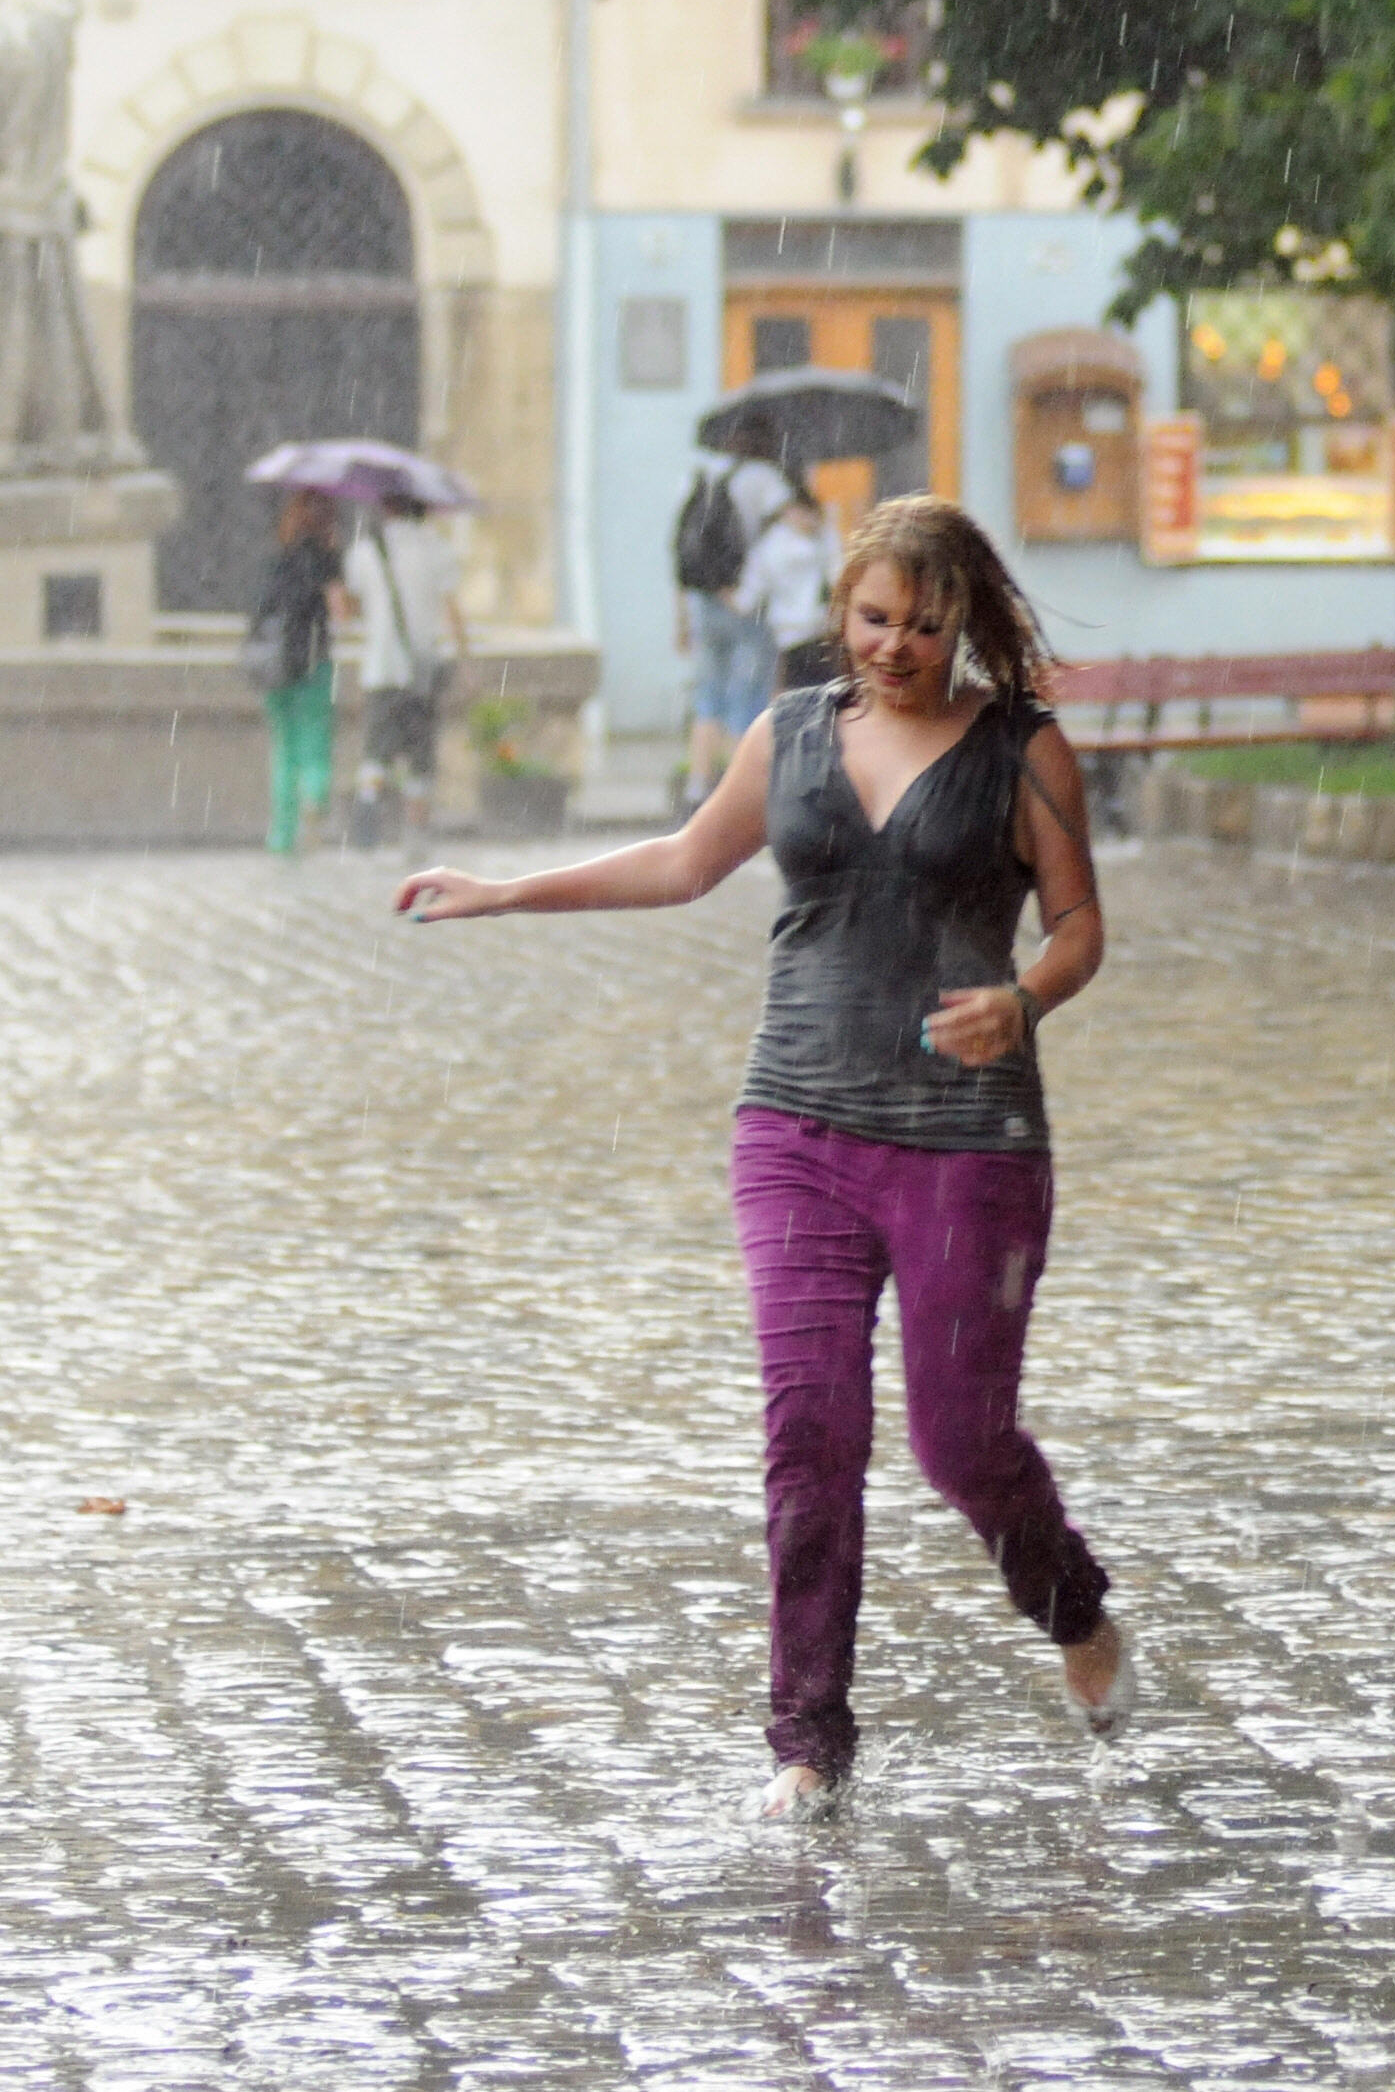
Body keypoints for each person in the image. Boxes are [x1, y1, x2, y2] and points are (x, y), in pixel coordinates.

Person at [394, 495, 1129, 1820]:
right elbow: (682, 862)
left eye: (922, 621)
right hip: (794, 1126)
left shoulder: (1024, 754)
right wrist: (507, 890)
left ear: (963, 621)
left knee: (961, 1444)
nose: (895, 644)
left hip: (968, 1142)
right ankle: (808, 1741)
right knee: (808, 1433)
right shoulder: (786, 734)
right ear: (838, 609)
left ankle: (1071, 1602)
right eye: (873, 617)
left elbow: (1077, 929)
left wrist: (1023, 998)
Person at [679, 411, 796, 812]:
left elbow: (681, 548)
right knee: (748, 698)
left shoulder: (702, 475)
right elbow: (791, 531)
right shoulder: (766, 479)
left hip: (704, 599)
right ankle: (739, 793)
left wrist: (680, 614)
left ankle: (697, 785)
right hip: (746, 599)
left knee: (708, 696)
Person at [338, 488, 465, 854]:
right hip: (421, 668)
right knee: (419, 753)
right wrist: (465, 658)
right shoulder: (437, 550)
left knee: (376, 749)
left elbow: (350, 610)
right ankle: (414, 829)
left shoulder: (366, 552)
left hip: (380, 667)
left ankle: (367, 819)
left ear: (387, 507)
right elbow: (452, 610)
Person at [253, 488, 341, 854]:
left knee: (284, 750)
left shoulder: (279, 557)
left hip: (276, 665)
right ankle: (314, 801)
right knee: (315, 744)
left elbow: (263, 608)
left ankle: (282, 835)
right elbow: (341, 611)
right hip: (313, 662)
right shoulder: (328, 559)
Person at [739, 488, 844, 694]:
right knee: (819, 690)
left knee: (798, 692)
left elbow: (752, 592)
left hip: (795, 632)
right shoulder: (817, 540)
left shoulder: (772, 543)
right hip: (809, 631)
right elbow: (837, 575)